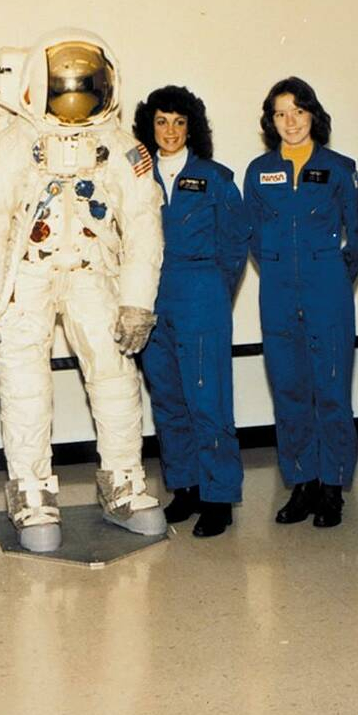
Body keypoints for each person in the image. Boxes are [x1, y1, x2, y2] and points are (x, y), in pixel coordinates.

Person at [0, 27, 166, 553]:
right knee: (25, 385)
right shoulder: (12, 145)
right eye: (65, 83)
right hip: (25, 277)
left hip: (93, 274)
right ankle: (31, 490)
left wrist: (137, 302)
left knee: (115, 376)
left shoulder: (122, 147)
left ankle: (123, 481)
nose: (75, 93)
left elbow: (143, 225)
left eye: (85, 82)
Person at [243, 77, 358, 528]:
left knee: (331, 391)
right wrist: (277, 268)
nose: (290, 122)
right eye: (280, 114)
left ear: (313, 114)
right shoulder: (258, 172)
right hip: (276, 293)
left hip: (327, 291)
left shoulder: (339, 168)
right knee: (289, 391)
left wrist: (334, 274)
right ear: (270, 122)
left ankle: (332, 487)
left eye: (298, 111)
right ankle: (303, 483)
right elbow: (251, 235)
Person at [132, 85, 249, 538]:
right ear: (150, 126)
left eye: (180, 122)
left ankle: (219, 497)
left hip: (200, 292)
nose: (171, 131)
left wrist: (215, 290)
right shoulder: (136, 175)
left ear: (192, 128)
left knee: (208, 399)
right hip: (150, 295)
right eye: (162, 121)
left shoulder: (215, 177)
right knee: (168, 398)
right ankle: (186, 488)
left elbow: (235, 242)